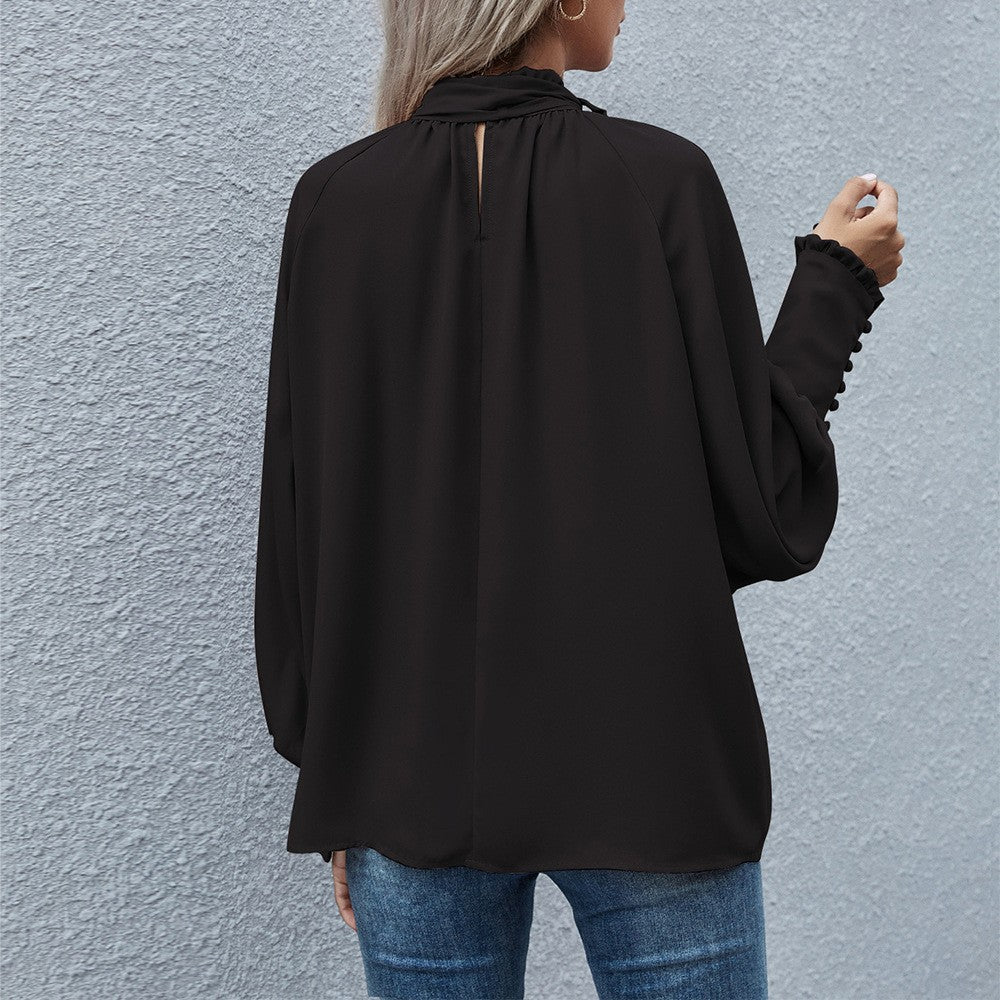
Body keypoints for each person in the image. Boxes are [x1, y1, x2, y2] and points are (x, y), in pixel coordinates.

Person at [253, 0, 905, 996]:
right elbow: (760, 499)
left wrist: (338, 775)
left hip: (398, 774)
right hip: (651, 768)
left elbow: (302, 519)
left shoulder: (334, 201)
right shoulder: (658, 179)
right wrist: (839, 282)